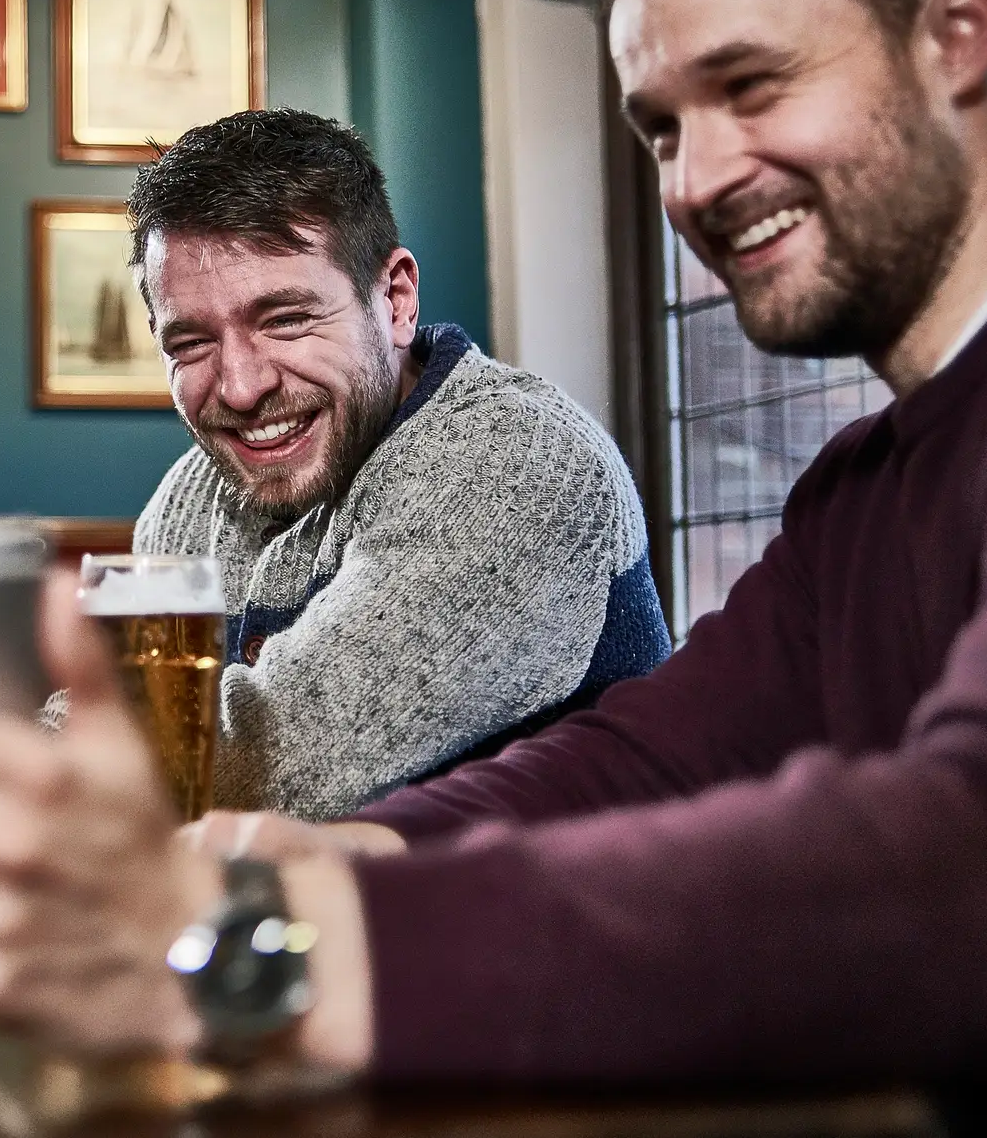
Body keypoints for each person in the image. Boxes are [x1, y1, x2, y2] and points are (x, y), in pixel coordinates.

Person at [0, 0, 987, 1078]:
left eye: (751, 84)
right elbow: (648, 758)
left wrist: (272, 943)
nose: (693, 180)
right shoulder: (865, 479)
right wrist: (312, 857)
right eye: (659, 126)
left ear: (953, 32)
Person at [119, 108, 666, 819]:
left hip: (555, 920)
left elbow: (267, 768)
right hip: (317, 919)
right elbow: (127, 710)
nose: (241, 386)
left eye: (285, 319)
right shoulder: (191, 493)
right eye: (190, 343)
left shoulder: (512, 459)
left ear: (396, 300)